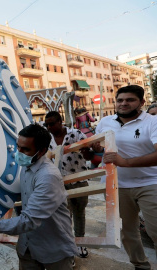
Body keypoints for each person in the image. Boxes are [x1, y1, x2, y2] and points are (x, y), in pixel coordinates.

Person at [0, 124, 77, 270]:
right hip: (27, 246)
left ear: (42, 151)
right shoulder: (27, 167)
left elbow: (29, 220)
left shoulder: (47, 177)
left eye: (25, 149)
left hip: (53, 248)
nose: (19, 152)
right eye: (18, 147)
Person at [93, 85, 157, 270]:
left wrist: (126, 162)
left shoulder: (152, 122)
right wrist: (95, 148)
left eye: (130, 100)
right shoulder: (105, 122)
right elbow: (98, 148)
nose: (124, 103)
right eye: (120, 100)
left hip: (150, 182)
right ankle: (140, 265)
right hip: (117, 185)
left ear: (142, 102)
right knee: (128, 231)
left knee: (155, 231)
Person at [45, 111, 92, 258]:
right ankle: (67, 248)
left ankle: (80, 242)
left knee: (79, 213)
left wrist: (87, 151)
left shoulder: (76, 134)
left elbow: (90, 155)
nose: (49, 127)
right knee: (64, 216)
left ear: (60, 121)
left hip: (79, 180)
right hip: (58, 182)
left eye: (52, 124)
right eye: (47, 125)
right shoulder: (46, 139)